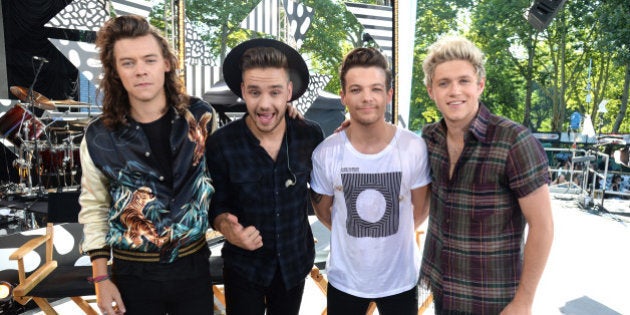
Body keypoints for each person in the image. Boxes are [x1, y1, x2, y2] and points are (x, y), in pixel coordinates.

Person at [77, 15, 217, 315]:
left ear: (166, 63)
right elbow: (94, 207)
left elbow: (231, 160)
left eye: (149, 60)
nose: (140, 70)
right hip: (132, 275)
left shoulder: (201, 117)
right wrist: (101, 278)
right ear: (115, 70)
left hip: (193, 267)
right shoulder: (98, 136)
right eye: (128, 62)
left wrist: (287, 114)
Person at [419, 36, 554, 314]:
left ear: (479, 85)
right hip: (443, 294)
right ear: (431, 90)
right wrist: (355, 129)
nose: (454, 91)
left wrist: (524, 301)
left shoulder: (513, 141)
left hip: (494, 301)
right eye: (444, 83)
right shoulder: (429, 138)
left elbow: (542, 226)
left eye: (464, 81)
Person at [309, 47, 431, 314]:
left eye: (375, 89)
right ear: (343, 96)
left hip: (400, 281)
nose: (366, 98)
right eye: (356, 89)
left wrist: (390, 234)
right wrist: (358, 231)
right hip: (345, 281)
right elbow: (324, 212)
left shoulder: (414, 148)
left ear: (388, 94)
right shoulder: (326, 153)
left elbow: (420, 211)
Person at [207, 38, 324, 315]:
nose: (265, 104)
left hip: (294, 263)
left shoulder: (310, 135)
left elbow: (324, 188)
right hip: (244, 268)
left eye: (275, 92)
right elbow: (217, 203)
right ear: (243, 91)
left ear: (289, 91)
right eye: (255, 92)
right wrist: (228, 228)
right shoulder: (222, 143)